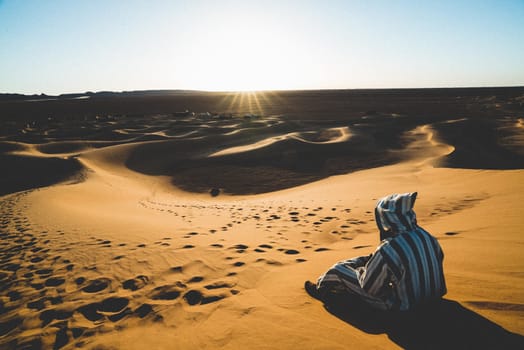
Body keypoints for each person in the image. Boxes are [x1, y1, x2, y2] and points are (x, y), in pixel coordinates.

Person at [305, 192, 446, 311]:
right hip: (435, 297)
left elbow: (370, 288)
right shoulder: (427, 236)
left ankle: (321, 288)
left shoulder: (389, 248)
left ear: (388, 219)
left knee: (338, 270)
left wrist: (362, 269)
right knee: (376, 264)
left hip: (404, 307)